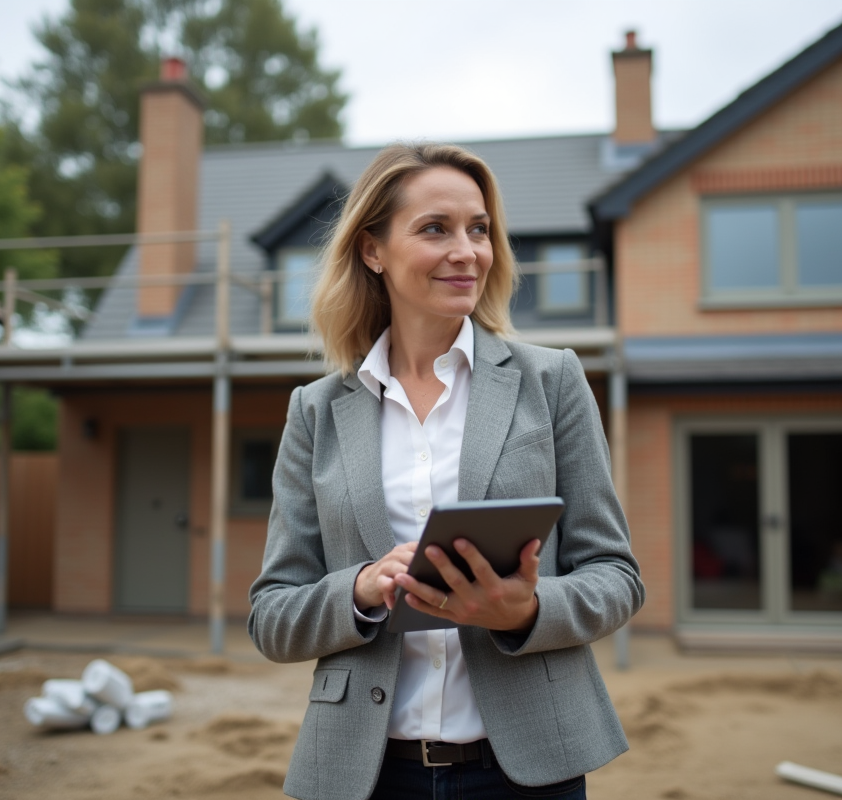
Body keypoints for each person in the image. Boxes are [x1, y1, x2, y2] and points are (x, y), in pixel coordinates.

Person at [248, 142, 644, 800]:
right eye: (436, 228)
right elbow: (271, 617)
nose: (467, 251)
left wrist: (528, 608)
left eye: (479, 229)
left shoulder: (553, 382)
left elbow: (617, 579)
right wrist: (363, 589)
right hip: (366, 774)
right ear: (373, 250)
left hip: (528, 770)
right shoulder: (315, 412)